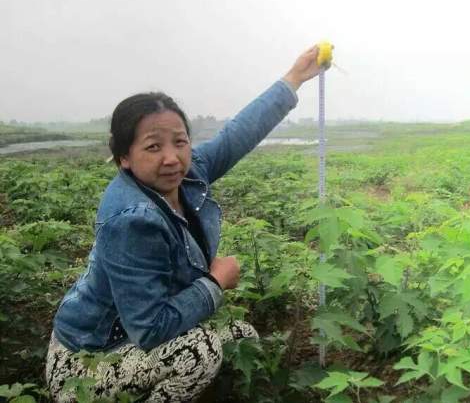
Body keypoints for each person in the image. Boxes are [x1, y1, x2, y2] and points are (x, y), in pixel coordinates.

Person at [45, 45, 326, 402]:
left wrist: (294, 78)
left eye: (180, 142)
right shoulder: (131, 221)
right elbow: (150, 330)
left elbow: (235, 136)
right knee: (199, 352)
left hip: (129, 344)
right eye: (153, 147)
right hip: (87, 364)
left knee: (242, 337)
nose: (171, 158)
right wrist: (214, 283)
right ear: (124, 158)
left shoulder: (187, 173)